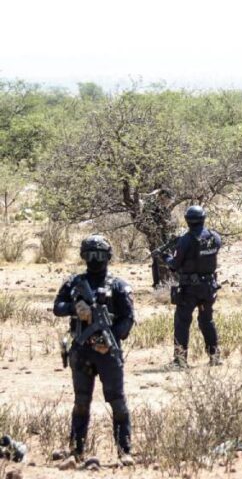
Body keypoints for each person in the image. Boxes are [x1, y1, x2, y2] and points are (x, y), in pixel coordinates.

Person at [52, 235, 135, 467]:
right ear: (83, 256)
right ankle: (76, 450)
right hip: (81, 351)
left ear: (108, 257)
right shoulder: (74, 283)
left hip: (107, 352)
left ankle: (124, 451)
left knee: (117, 402)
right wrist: (74, 309)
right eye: (90, 255)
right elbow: (57, 307)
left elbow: (128, 319)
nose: (95, 260)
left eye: (99, 255)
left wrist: (108, 340)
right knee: (81, 402)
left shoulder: (118, 285)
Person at [164, 205, 223, 367]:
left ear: (188, 221)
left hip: (189, 289)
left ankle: (180, 360)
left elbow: (175, 264)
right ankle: (215, 356)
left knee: (182, 322)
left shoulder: (186, 239)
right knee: (207, 321)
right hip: (208, 286)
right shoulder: (214, 236)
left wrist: (166, 258)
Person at [141, 189, 176, 289]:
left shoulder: (164, 208)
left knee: (167, 256)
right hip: (155, 236)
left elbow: (168, 221)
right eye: (167, 199)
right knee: (156, 258)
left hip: (165, 235)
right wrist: (158, 228)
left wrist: (168, 225)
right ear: (163, 196)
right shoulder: (151, 205)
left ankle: (168, 281)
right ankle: (157, 284)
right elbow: (148, 220)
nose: (168, 202)